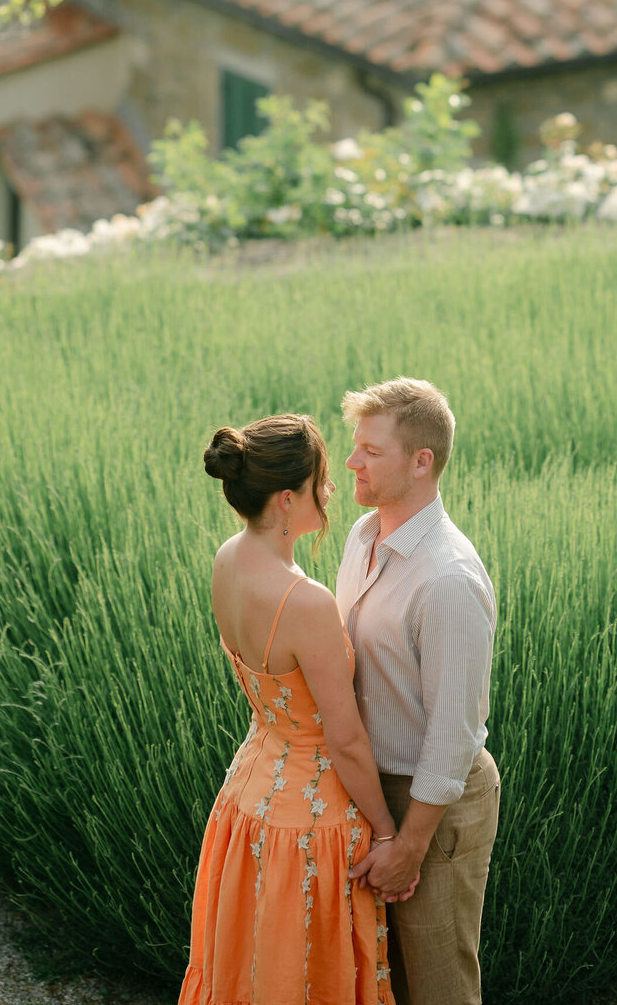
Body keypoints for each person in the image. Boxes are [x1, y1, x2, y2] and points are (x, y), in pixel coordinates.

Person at [180, 412, 420, 1005]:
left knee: (253, 972)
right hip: (309, 828)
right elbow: (345, 741)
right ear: (288, 499)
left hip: (245, 800)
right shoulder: (304, 602)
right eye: (321, 480)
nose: (332, 489)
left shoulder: (228, 559)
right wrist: (388, 834)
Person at [338, 379, 498, 1005]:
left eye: (371, 451)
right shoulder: (361, 537)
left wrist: (410, 842)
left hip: (436, 804)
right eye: (356, 447)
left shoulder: (448, 579)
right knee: (383, 985)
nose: (352, 462)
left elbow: (454, 733)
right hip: (374, 796)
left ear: (421, 460)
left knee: (437, 990)